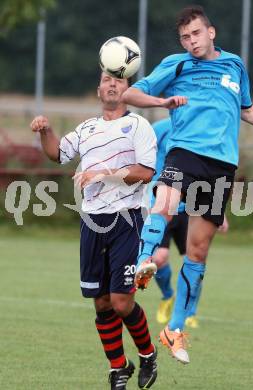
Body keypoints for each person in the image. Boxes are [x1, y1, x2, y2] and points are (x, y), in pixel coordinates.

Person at [122, 5, 253, 365]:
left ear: (211, 32)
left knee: (197, 252)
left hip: (222, 165)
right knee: (163, 204)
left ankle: (174, 329)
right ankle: (142, 261)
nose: (191, 41)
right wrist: (163, 101)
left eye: (195, 34)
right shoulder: (176, 65)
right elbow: (131, 95)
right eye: (184, 37)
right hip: (185, 152)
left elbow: (248, 109)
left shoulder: (234, 65)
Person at [30, 72, 158, 390]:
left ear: (129, 90)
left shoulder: (139, 126)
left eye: (119, 80)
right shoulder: (87, 129)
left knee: (121, 302)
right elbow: (57, 153)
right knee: (100, 302)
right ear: (98, 89)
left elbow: (145, 172)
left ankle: (148, 354)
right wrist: (45, 130)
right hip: (92, 223)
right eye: (106, 79)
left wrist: (104, 173)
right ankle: (118, 368)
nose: (112, 84)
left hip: (127, 220)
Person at [151, 118, 230, 329]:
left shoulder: (202, 130)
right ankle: (168, 295)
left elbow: (212, 172)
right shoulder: (158, 129)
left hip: (191, 206)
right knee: (159, 258)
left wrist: (219, 211)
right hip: (163, 203)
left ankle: (190, 312)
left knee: (194, 260)